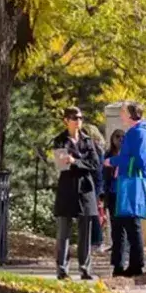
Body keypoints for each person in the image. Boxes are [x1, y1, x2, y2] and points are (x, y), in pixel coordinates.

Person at [110, 102, 146, 278]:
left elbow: (139, 160)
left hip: (133, 182)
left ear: (131, 114)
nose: (121, 116)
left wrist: (114, 162)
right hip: (129, 181)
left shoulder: (138, 133)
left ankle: (136, 265)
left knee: (132, 223)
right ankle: (132, 264)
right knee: (128, 222)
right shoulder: (136, 132)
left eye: (123, 112)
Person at [52, 107, 102, 281]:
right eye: (74, 118)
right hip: (67, 188)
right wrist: (79, 161)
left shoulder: (88, 141)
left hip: (85, 189)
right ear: (66, 120)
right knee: (64, 232)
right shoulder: (60, 140)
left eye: (80, 117)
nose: (78, 121)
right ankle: (62, 270)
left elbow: (95, 164)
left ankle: (85, 268)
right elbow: (61, 163)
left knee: (85, 232)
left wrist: (75, 161)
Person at [84, 123, 107, 251]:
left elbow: (97, 169)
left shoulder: (95, 149)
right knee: (92, 213)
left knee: (93, 213)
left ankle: (97, 241)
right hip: (95, 183)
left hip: (95, 183)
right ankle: (94, 240)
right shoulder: (97, 148)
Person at [102, 130, 124, 255]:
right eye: (117, 136)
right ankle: (116, 245)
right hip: (112, 192)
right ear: (112, 139)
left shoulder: (128, 154)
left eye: (122, 136)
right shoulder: (108, 154)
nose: (120, 139)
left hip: (125, 192)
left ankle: (123, 246)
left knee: (125, 222)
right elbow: (104, 174)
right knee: (114, 222)